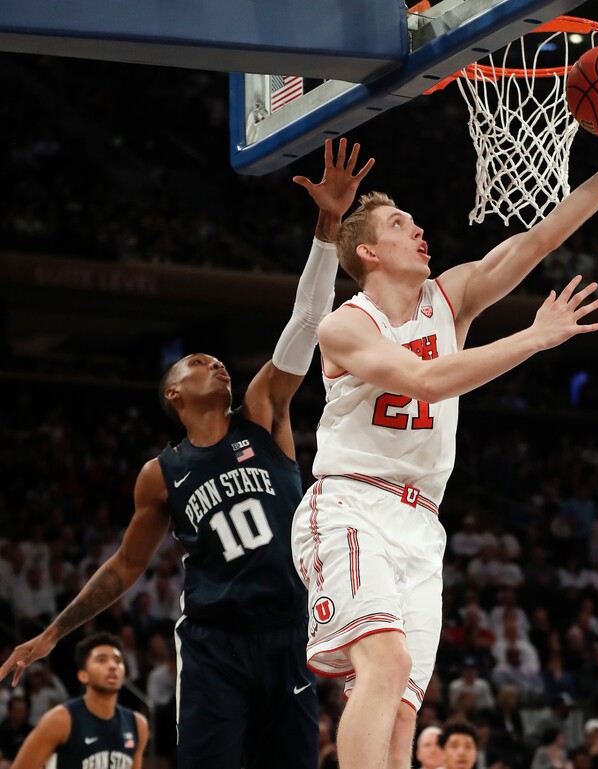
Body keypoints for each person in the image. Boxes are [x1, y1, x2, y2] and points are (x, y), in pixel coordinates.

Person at [290, 91, 598, 769]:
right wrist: (534, 337)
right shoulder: (343, 325)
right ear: (369, 249)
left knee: (403, 706)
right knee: (386, 658)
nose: (418, 229)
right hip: (351, 503)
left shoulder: (451, 296)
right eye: (402, 224)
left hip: (421, 524)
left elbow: (544, 234)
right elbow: (430, 380)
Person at [0, 138, 374, 769]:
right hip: (214, 644)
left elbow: (307, 323)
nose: (214, 361)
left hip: (289, 627)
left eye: (216, 357)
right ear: (175, 394)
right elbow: (123, 568)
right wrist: (53, 633)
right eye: (197, 361)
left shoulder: (262, 414)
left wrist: (328, 225)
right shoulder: (161, 474)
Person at [10, 632, 149, 769]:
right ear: (83, 675)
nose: (113, 666)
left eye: (118, 661)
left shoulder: (138, 725)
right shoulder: (61, 719)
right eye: (101, 660)